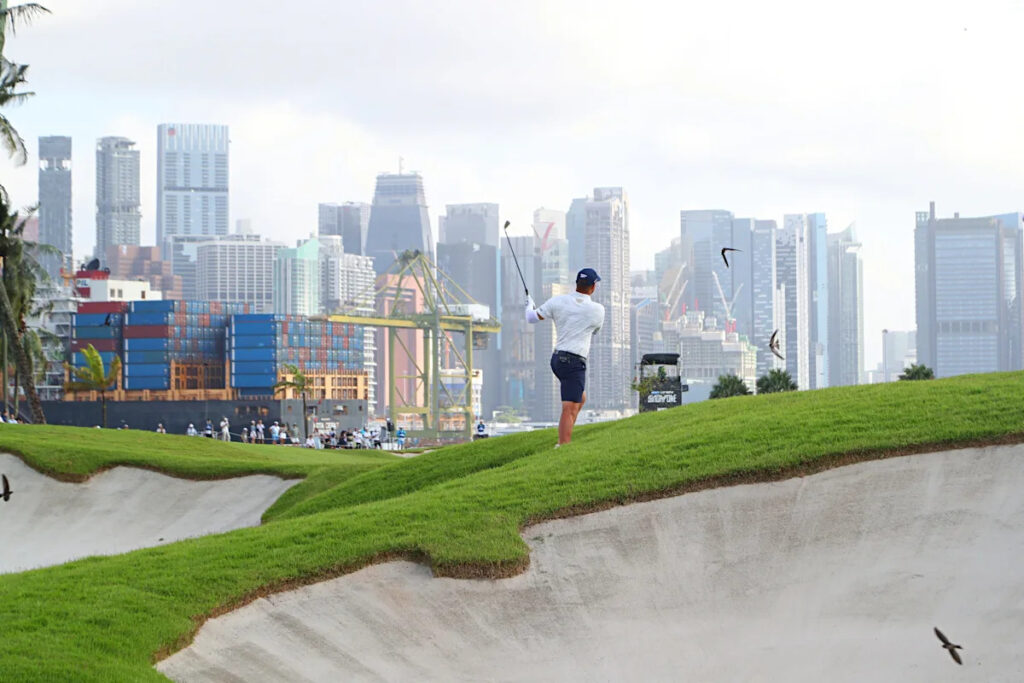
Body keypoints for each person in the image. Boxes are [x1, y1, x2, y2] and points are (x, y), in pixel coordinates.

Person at [526, 267, 605, 447]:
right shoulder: (598, 310)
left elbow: (531, 317)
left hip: (557, 360)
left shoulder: (558, 301)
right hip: (574, 362)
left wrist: (529, 304)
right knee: (569, 408)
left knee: (580, 398)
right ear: (593, 287)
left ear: (576, 284)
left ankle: (566, 433)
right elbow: (596, 331)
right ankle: (563, 445)